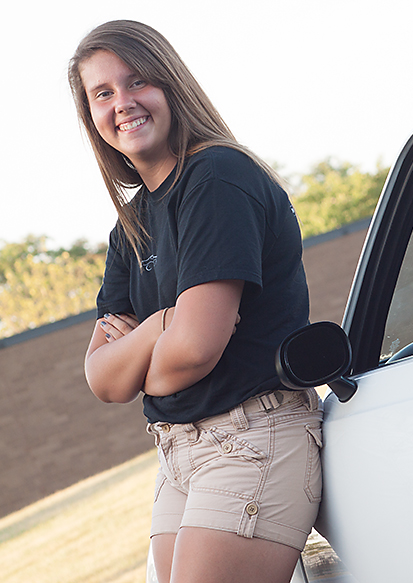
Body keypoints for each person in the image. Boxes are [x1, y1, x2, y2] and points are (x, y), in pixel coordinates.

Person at [69, 20, 321, 583]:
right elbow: (104, 381)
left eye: (138, 83)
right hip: (178, 453)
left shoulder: (216, 178)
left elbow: (196, 349)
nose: (124, 103)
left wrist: (142, 358)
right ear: (92, 117)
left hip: (249, 439)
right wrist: (161, 323)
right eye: (103, 93)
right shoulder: (131, 225)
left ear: (171, 84)